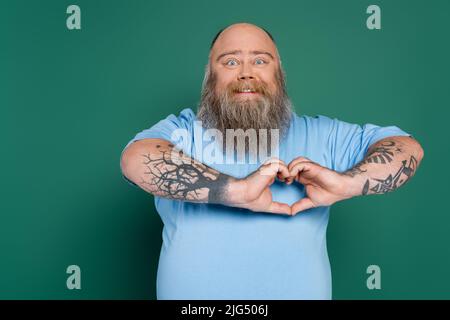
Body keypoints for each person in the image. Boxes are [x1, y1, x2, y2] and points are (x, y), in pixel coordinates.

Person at [120, 22, 424, 299]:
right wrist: (236, 191)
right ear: (210, 78)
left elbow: (408, 149)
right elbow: (135, 160)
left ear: (279, 75)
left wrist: (347, 184)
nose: (246, 72)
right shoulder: (183, 132)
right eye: (230, 61)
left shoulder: (323, 134)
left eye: (260, 60)